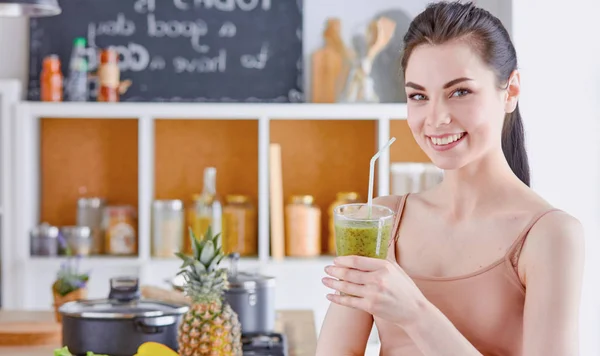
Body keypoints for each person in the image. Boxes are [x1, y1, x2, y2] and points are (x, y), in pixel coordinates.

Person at [315, 2, 585, 355]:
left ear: (511, 91)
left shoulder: (549, 236)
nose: (436, 118)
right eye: (418, 96)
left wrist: (416, 313)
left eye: (460, 92)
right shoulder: (381, 220)